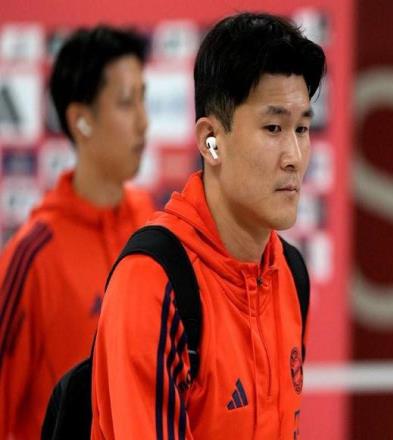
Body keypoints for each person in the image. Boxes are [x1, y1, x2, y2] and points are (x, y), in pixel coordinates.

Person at [91, 12, 326, 439]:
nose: (294, 156)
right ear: (210, 141)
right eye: (274, 127)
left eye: (303, 128)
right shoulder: (152, 281)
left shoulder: (291, 274)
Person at [0, 25, 154, 439]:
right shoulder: (33, 257)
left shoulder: (152, 224)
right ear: (80, 120)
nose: (144, 121)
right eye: (126, 102)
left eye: (144, 98)